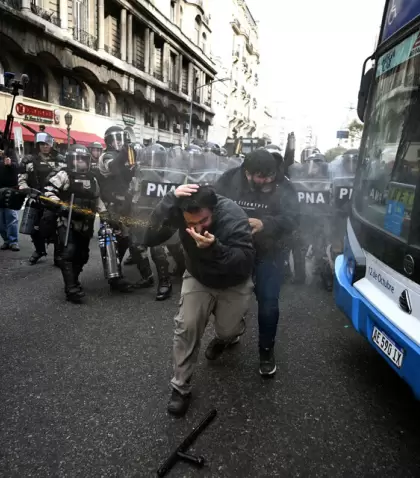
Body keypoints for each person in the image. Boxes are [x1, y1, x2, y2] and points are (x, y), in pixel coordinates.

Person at [144, 184, 255, 416]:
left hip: (233, 280)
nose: (196, 228)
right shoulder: (177, 210)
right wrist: (168, 199)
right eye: (190, 224)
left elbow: (244, 261)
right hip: (199, 276)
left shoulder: (233, 216)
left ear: (213, 210)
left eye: (203, 221)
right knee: (187, 326)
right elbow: (149, 236)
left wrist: (214, 248)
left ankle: (228, 337)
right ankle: (180, 387)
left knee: (228, 331)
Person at [216, 149, 300, 376]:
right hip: (236, 248)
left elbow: (294, 218)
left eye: (270, 176)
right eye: (261, 177)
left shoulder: (284, 185)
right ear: (247, 173)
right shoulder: (229, 179)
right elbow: (212, 205)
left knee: (269, 301)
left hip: (271, 250)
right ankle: (227, 334)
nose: (267, 181)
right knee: (228, 298)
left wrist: (265, 223)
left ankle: (266, 351)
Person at [43, 144, 109, 303]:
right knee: (68, 253)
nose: (80, 162)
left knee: (83, 255)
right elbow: (48, 191)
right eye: (76, 159)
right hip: (68, 221)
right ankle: (71, 288)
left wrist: (105, 214)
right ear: (71, 160)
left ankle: (74, 279)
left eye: (83, 159)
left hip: (86, 222)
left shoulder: (92, 178)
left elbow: (97, 198)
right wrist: (60, 205)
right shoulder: (64, 175)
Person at [97, 126, 136, 293]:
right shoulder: (106, 156)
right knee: (112, 240)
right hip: (110, 204)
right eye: (115, 139)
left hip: (124, 204)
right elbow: (113, 167)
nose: (119, 142)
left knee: (125, 239)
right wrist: (126, 152)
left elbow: (128, 176)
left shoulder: (126, 155)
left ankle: (116, 267)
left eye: (120, 139)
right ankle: (114, 278)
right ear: (108, 141)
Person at [18, 132, 66, 264]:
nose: (45, 147)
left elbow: (66, 179)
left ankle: (58, 255)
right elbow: (22, 180)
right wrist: (27, 190)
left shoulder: (60, 160)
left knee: (57, 228)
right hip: (36, 197)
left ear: (52, 145)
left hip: (53, 199)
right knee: (33, 228)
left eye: (47, 144)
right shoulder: (29, 160)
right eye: (42, 144)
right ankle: (39, 250)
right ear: (38, 145)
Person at [0, 141, 19, 251]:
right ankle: (6, 240)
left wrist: (10, 163)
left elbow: (18, 167)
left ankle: (13, 241)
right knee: (0, 220)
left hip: (10, 189)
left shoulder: (10, 152)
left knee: (11, 216)